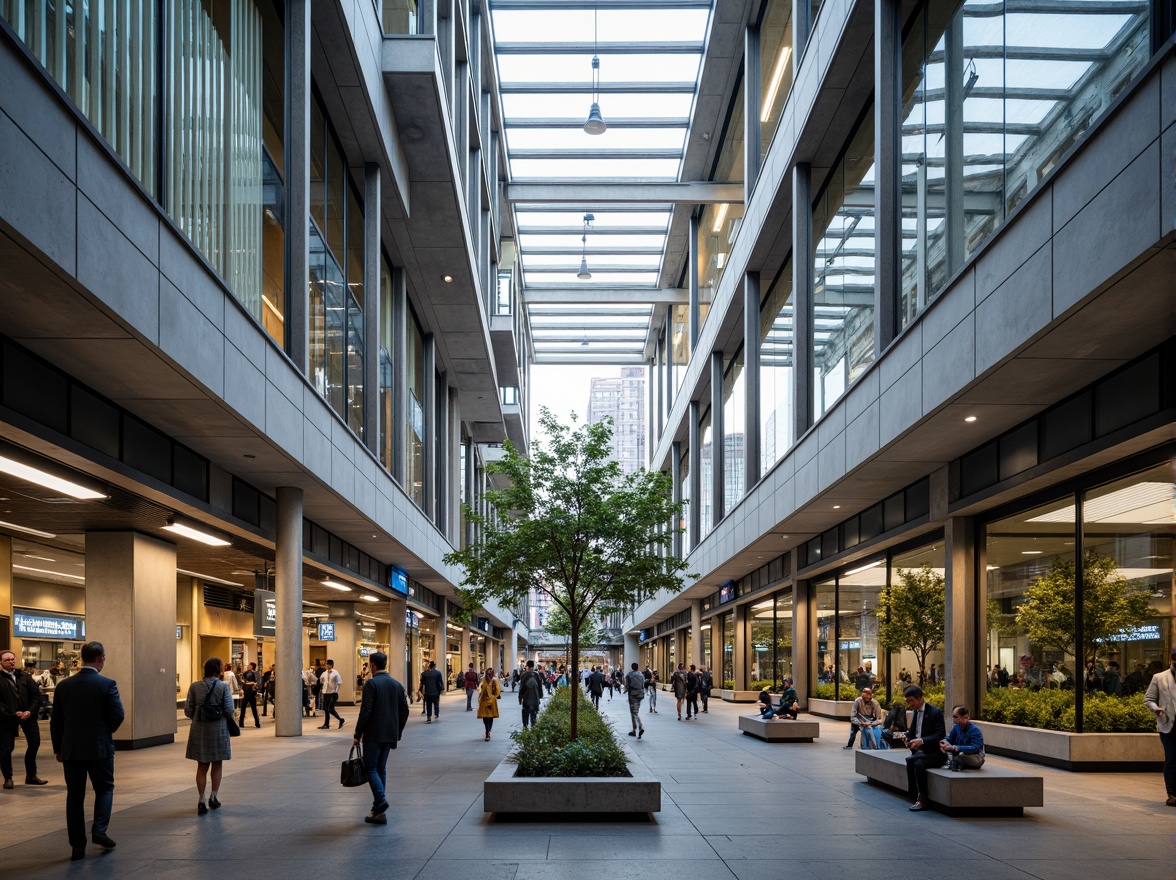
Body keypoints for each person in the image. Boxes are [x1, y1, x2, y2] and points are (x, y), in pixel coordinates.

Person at [49, 641, 124, 861]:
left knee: (74, 796)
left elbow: (57, 721)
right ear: (100, 658)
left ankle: (77, 846)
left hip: (71, 749)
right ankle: (99, 830)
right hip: (99, 748)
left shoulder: (64, 686)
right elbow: (118, 714)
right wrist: (103, 731)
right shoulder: (107, 684)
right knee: (105, 789)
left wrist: (58, 748)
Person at [352, 651, 409, 825]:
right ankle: (378, 810)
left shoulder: (371, 684)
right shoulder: (396, 684)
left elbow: (366, 711)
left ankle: (381, 800)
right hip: (389, 734)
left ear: (373, 666)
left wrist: (357, 734)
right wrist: (397, 731)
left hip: (374, 734)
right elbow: (405, 711)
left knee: (370, 768)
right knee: (381, 769)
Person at [184, 657, 234, 816]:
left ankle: (200, 799)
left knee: (202, 765)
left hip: (199, 728)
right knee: (217, 763)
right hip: (218, 727)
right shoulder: (223, 687)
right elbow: (229, 708)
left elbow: (187, 709)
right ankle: (214, 796)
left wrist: (198, 715)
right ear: (218, 670)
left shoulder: (194, 686)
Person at [1, 651, 48, 786]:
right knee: (6, 748)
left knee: (35, 743)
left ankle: (31, 775)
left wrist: (30, 711)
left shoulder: (24, 676)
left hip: (28, 716)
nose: (10, 662)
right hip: (7, 718)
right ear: (1, 662)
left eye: (12, 659)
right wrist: (11, 714)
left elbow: (36, 696)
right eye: (7, 660)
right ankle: (8, 778)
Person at [902, 685, 946, 812]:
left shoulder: (935, 712)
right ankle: (913, 794)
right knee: (911, 760)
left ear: (920, 699)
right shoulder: (916, 712)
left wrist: (921, 741)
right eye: (907, 702)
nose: (910, 704)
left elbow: (940, 734)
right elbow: (912, 732)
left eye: (912, 701)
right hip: (921, 752)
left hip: (936, 754)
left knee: (918, 763)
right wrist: (907, 739)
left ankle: (923, 798)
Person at [1142, 646, 1176, 808]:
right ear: (1171, 659)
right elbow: (1148, 698)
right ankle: (1172, 794)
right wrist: (1155, 708)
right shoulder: (1159, 677)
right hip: (1169, 726)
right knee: (1171, 759)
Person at [940, 705, 985, 770]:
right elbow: (949, 738)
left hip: (976, 757)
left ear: (965, 717)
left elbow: (976, 748)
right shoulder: (956, 727)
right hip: (959, 754)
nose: (953, 719)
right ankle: (955, 763)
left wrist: (955, 747)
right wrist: (943, 742)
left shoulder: (975, 730)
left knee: (961, 756)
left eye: (955, 717)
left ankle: (955, 763)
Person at [476, 667, 502, 741]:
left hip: (486, 701)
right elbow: (497, 690)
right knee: (488, 717)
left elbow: (497, 690)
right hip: (488, 701)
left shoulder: (490, 680)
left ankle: (487, 731)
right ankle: (488, 731)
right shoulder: (488, 680)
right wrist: (494, 696)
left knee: (487, 717)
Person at [318, 659, 345, 730]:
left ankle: (340, 719)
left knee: (330, 709)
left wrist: (336, 691)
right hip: (326, 693)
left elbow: (339, 682)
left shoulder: (335, 673)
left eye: (327, 664)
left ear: (331, 665)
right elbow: (321, 680)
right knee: (325, 709)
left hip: (333, 693)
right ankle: (326, 724)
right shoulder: (324, 673)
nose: (326, 665)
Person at [517, 660, 542, 729]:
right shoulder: (536, 675)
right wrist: (540, 696)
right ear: (533, 666)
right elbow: (540, 687)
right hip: (535, 697)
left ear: (527, 666)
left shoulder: (524, 675)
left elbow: (521, 687)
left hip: (526, 697)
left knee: (525, 712)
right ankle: (533, 727)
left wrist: (520, 697)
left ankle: (525, 727)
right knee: (534, 714)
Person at [624, 662, 645, 739]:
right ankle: (634, 730)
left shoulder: (629, 675)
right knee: (635, 711)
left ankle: (640, 726)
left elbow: (626, 685)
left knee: (634, 712)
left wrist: (625, 690)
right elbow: (643, 683)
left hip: (633, 694)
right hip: (640, 694)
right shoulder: (641, 674)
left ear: (632, 667)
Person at [240, 662, 262, 727]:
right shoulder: (246, 673)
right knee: (251, 708)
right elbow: (243, 682)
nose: (248, 666)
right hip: (249, 692)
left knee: (246, 708)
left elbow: (257, 683)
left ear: (252, 666)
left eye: (249, 665)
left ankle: (242, 723)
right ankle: (256, 723)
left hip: (250, 692)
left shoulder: (255, 673)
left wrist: (246, 684)